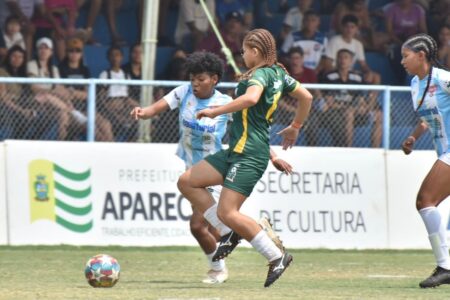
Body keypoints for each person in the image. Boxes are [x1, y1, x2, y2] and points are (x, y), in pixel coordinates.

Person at [130, 51, 293, 284]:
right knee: (205, 229)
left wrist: (273, 156)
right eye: (192, 78)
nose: (195, 84)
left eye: (201, 79)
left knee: (202, 224)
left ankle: (223, 266)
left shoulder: (227, 104)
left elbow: (252, 133)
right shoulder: (183, 93)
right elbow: (158, 107)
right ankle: (249, 239)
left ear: (214, 79)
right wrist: (143, 112)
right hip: (193, 168)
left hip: (215, 168)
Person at [177, 28, 312, 287]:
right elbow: (306, 97)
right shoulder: (279, 74)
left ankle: (277, 256)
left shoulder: (260, 75)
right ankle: (230, 234)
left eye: (244, 51)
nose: (242, 55)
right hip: (236, 150)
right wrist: (296, 126)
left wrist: (216, 111)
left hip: (249, 154)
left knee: (228, 211)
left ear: (255, 51)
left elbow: (251, 99)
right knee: (187, 182)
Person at [400, 33, 450, 288]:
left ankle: (445, 267)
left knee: (425, 201)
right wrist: (413, 136)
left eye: (405, 56)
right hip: (442, 151)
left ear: (421, 56)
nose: (401, 61)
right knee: (431, 206)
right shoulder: (415, 84)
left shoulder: (444, 79)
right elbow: (427, 117)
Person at [58, 37, 113, 141]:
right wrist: (78, 94)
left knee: (106, 124)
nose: (74, 53)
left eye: (77, 51)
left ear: (81, 53)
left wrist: (73, 92)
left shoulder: (85, 70)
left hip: (85, 109)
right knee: (94, 130)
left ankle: (112, 151)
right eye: (71, 50)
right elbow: (63, 93)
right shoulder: (61, 69)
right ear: (67, 52)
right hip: (69, 109)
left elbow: (88, 94)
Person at [323, 14, 381, 85]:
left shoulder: (358, 44)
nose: (349, 30)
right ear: (342, 28)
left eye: (352, 27)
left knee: (376, 77)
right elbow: (327, 64)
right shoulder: (334, 41)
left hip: (350, 72)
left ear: (356, 29)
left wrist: (368, 72)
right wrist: (339, 71)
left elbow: (363, 65)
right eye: (347, 27)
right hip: (336, 71)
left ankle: (370, 97)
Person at [98, 45, 139, 141]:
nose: (115, 58)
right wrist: (110, 111)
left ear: (122, 57)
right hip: (111, 105)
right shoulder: (105, 75)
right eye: (112, 55)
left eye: (117, 55)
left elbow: (128, 95)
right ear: (108, 58)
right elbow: (102, 97)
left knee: (141, 114)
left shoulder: (126, 75)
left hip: (125, 104)